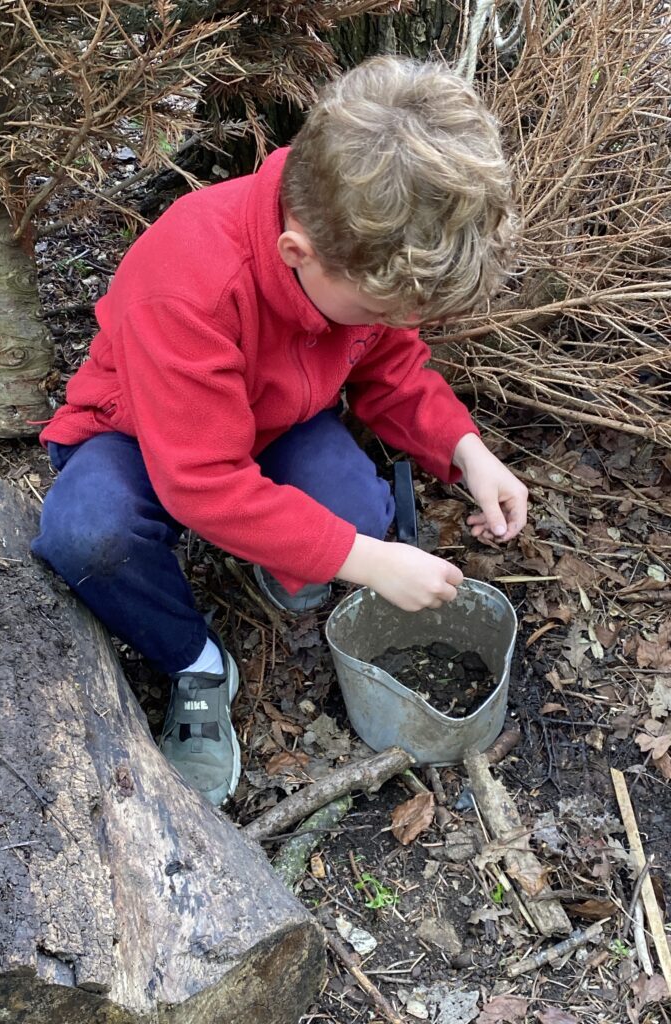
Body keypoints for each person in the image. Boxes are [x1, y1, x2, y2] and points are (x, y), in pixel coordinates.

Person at [32, 57, 528, 807]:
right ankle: (196, 662)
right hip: (140, 435)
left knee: (359, 513)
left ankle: (279, 555)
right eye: (372, 312)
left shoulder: (355, 244)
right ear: (298, 254)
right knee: (87, 535)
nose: (385, 326)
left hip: (275, 421)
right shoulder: (189, 282)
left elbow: (392, 370)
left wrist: (468, 453)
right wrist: (366, 562)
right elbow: (200, 480)